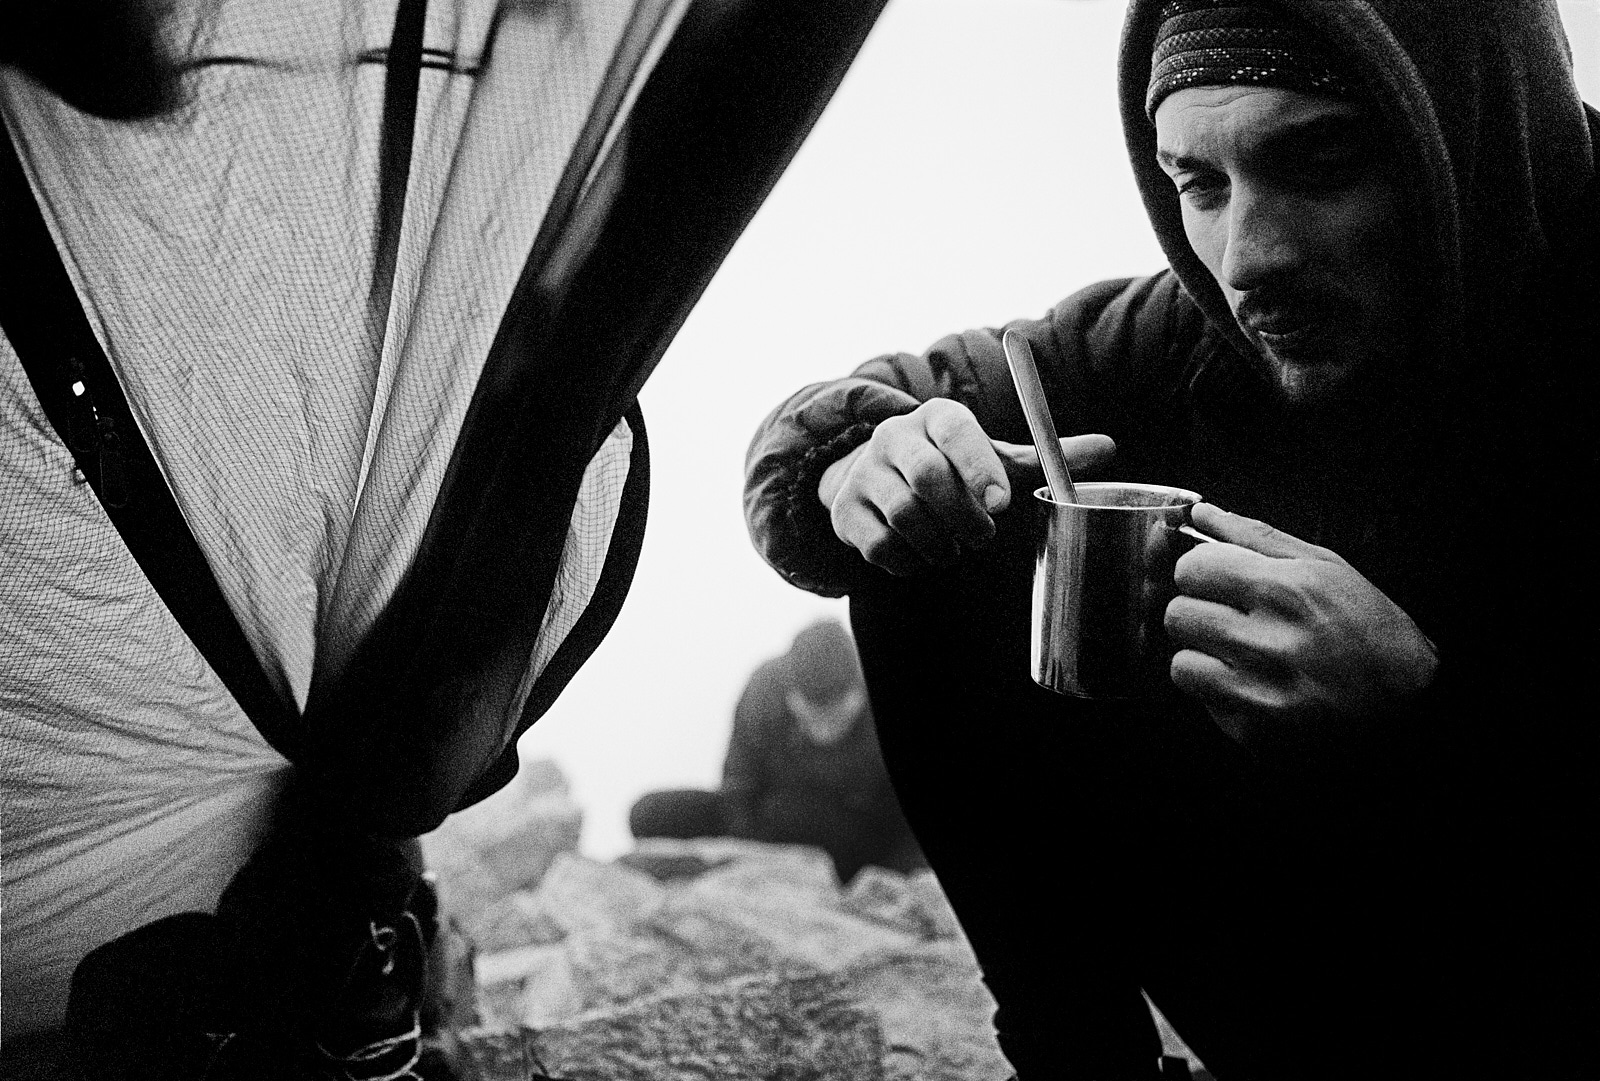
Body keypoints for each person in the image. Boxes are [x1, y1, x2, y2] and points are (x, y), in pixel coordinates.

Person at [0, 1, 885, 1077]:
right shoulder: (763, 698)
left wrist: (827, 879)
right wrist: (752, 841)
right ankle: (336, 961)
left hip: (818, 849)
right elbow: (745, 786)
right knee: (656, 808)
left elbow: (880, 826)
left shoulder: (869, 734)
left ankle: (343, 953)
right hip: (285, 761)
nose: (815, 703)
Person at [743, 1, 1598, 1078]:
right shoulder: (1188, 334)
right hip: (1272, 977)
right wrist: (857, 463)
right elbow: (873, 406)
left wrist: (1428, 721)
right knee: (947, 527)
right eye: (1199, 184)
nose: (1247, 257)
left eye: (1321, 161)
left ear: (1474, 129)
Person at [629, 617, 926, 884]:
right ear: (791, 696)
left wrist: (886, 882)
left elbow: (915, 824)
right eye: (811, 716)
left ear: (858, 693)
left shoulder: (890, 697)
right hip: (769, 824)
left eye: (834, 717)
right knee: (649, 813)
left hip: (852, 838)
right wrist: (749, 858)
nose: (823, 731)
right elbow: (737, 788)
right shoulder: (766, 689)